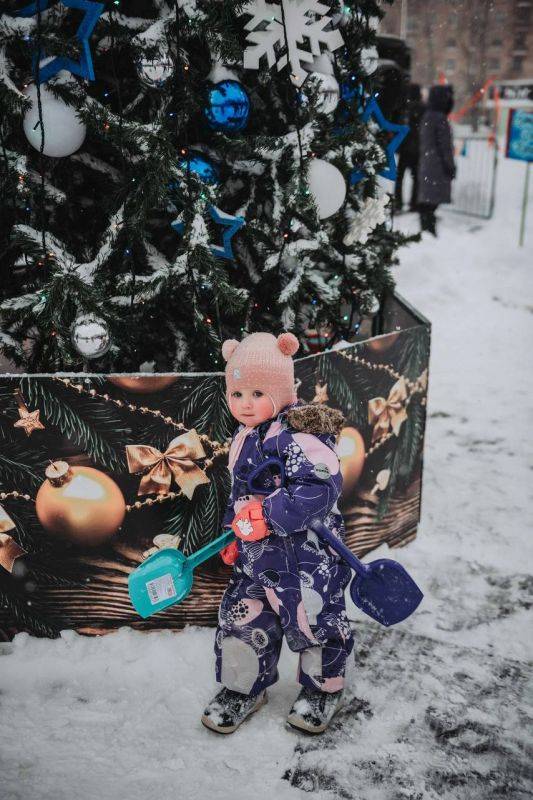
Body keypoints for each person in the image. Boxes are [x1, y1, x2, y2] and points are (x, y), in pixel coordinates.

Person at [201, 331, 354, 735]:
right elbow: (240, 494)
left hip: (307, 556)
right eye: (237, 394)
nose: (244, 404)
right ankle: (243, 687)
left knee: (316, 619)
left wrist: (269, 515)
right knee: (242, 618)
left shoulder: (301, 434)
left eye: (256, 393)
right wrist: (232, 537)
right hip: (256, 556)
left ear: (282, 390)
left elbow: (323, 485)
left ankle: (322, 687)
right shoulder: (243, 437)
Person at [417, 84, 456, 236]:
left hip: (428, 164)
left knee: (427, 201)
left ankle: (426, 229)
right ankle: (428, 232)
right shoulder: (440, 118)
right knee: (431, 203)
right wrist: (450, 166)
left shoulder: (427, 116)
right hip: (438, 166)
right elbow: (445, 146)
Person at [394, 83, 425, 212]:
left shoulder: (405, 108)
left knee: (399, 177)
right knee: (416, 178)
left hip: (405, 148)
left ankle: (398, 202)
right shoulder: (423, 108)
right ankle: (414, 203)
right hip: (417, 148)